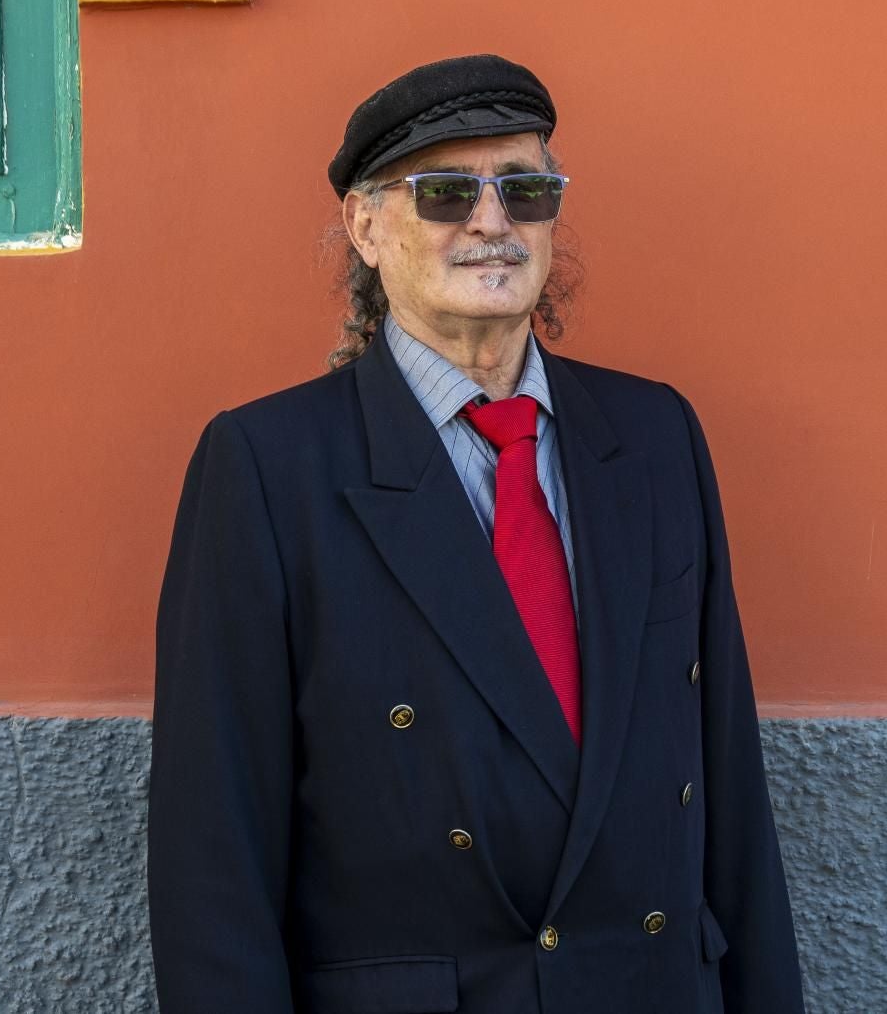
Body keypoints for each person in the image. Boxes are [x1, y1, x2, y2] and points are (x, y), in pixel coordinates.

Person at [148, 53, 806, 1014]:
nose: (493, 221)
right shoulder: (267, 467)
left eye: (527, 189)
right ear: (365, 227)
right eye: (448, 191)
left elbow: (729, 794)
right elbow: (215, 857)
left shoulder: (657, 437)